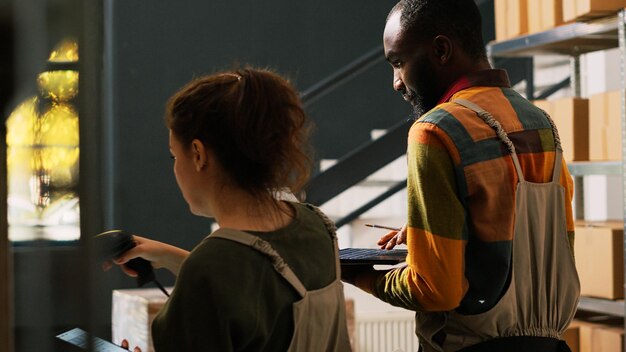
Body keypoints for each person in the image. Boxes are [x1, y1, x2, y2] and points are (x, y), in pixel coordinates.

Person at [341, 1, 580, 351]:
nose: (396, 82)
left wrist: (356, 275)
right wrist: (450, 231)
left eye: (399, 62)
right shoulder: (539, 122)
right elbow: (547, 242)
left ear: (441, 50)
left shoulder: (435, 132)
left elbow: (437, 289)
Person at [106, 68, 352, 351]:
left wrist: (192, 268)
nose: (174, 167)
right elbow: (258, 288)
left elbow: (234, 281)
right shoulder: (317, 225)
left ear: (198, 155)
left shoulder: (210, 269)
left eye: (174, 155)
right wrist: (169, 256)